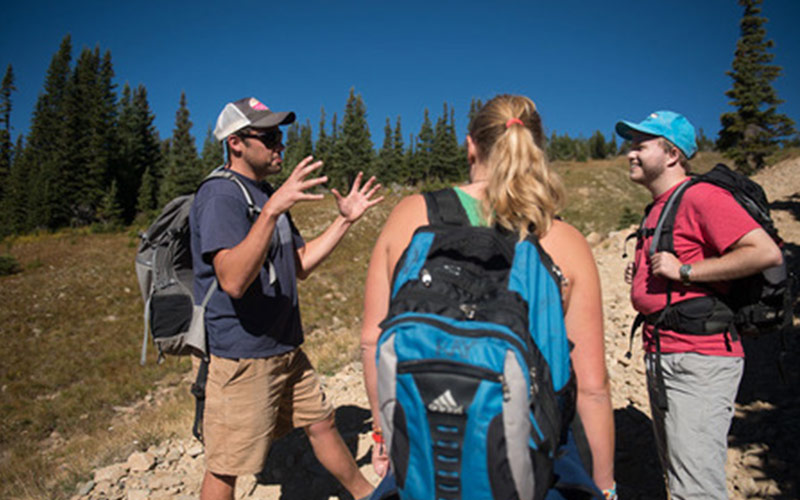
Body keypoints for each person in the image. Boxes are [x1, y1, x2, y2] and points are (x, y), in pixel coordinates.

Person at [360, 94, 616, 496]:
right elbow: (593, 389)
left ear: (471, 145)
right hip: (529, 461)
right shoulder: (564, 240)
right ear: (535, 148)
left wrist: (384, 433)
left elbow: (371, 341)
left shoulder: (410, 215)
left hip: (425, 448)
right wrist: (605, 487)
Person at [190, 97, 382, 500]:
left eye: (280, 135)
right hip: (242, 356)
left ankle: (368, 495)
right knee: (226, 467)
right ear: (236, 143)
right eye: (270, 137)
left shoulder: (265, 194)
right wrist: (271, 212)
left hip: (284, 347)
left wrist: (344, 220)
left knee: (322, 423)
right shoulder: (221, 196)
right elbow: (232, 281)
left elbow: (300, 264)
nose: (280, 144)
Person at [617, 110, 783, 499]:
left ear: (672, 154)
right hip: (667, 352)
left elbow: (765, 252)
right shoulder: (660, 206)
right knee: (681, 478)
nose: (630, 153)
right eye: (631, 145)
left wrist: (686, 270)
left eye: (641, 145)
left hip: (698, 357)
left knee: (694, 488)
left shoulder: (701, 196)